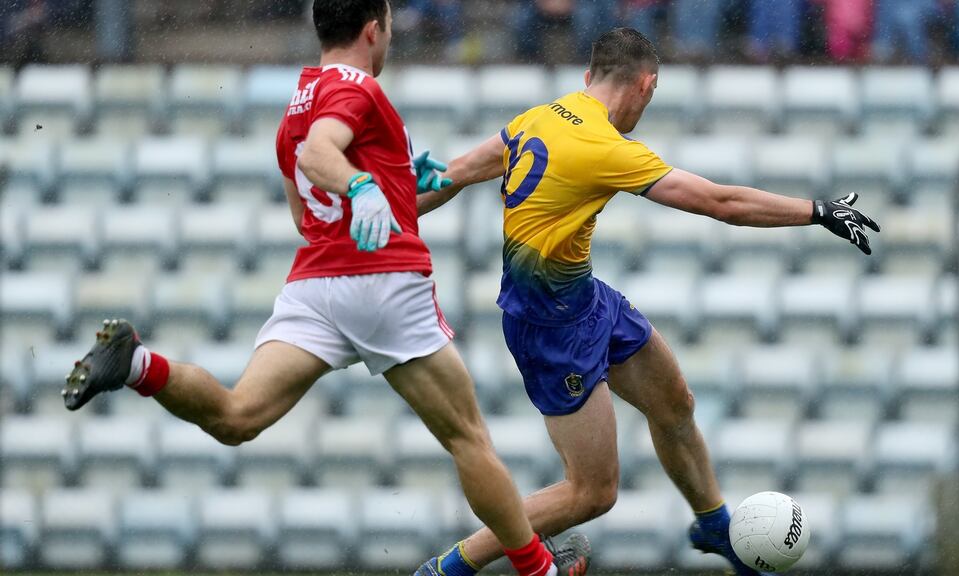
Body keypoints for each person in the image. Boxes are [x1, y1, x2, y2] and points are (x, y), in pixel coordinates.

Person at [61, 2, 590, 575]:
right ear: (373, 28)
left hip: (317, 285)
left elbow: (307, 213)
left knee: (238, 417)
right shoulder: (356, 88)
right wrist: (364, 184)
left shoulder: (296, 105)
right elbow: (322, 155)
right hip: (384, 282)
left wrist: (406, 180)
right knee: (469, 440)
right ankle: (540, 569)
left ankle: (136, 363)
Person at [415, 27, 880, 576]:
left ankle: (714, 526)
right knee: (591, 493)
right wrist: (818, 210)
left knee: (675, 403)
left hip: (586, 300)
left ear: (589, 77)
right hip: (549, 330)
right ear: (646, 85)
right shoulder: (606, 148)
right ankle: (450, 567)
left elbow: (453, 175)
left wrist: (381, 220)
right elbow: (721, 202)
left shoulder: (539, 116)